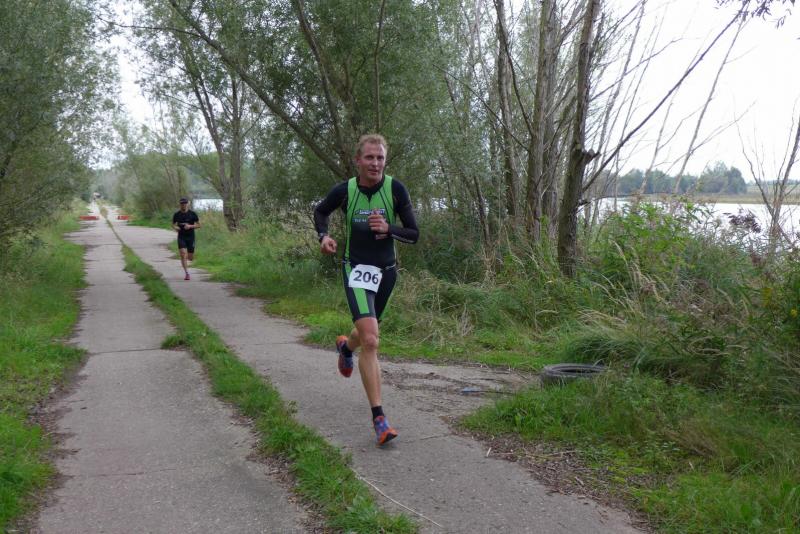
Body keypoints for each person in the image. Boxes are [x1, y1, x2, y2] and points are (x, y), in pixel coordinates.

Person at [314, 134, 419, 446]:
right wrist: (323, 236)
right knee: (372, 339)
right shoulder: (345, 190)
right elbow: (321, 211)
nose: (375, 163)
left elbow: (413, 234)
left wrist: (389, 229)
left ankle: (347, 348)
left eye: (380, 158)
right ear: (358, 160)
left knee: (365, 333)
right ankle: (380, 419)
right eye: (370, 158)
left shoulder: (395, 189)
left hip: (386, 273)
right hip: (356, 270)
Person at [172, 198, 201, 280]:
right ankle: (187, 273)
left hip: (191, 237)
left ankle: (188, 257)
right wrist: (176, 227)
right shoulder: (177, 214)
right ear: (180, 204)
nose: (183, 205)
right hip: (181, 236)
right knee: (183, 254)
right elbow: (173, 224)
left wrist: (190, 226)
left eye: (185, 203)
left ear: (187, 204)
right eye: (182, 203)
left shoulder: (192, 214)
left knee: (190, 257)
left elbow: (199, 225)